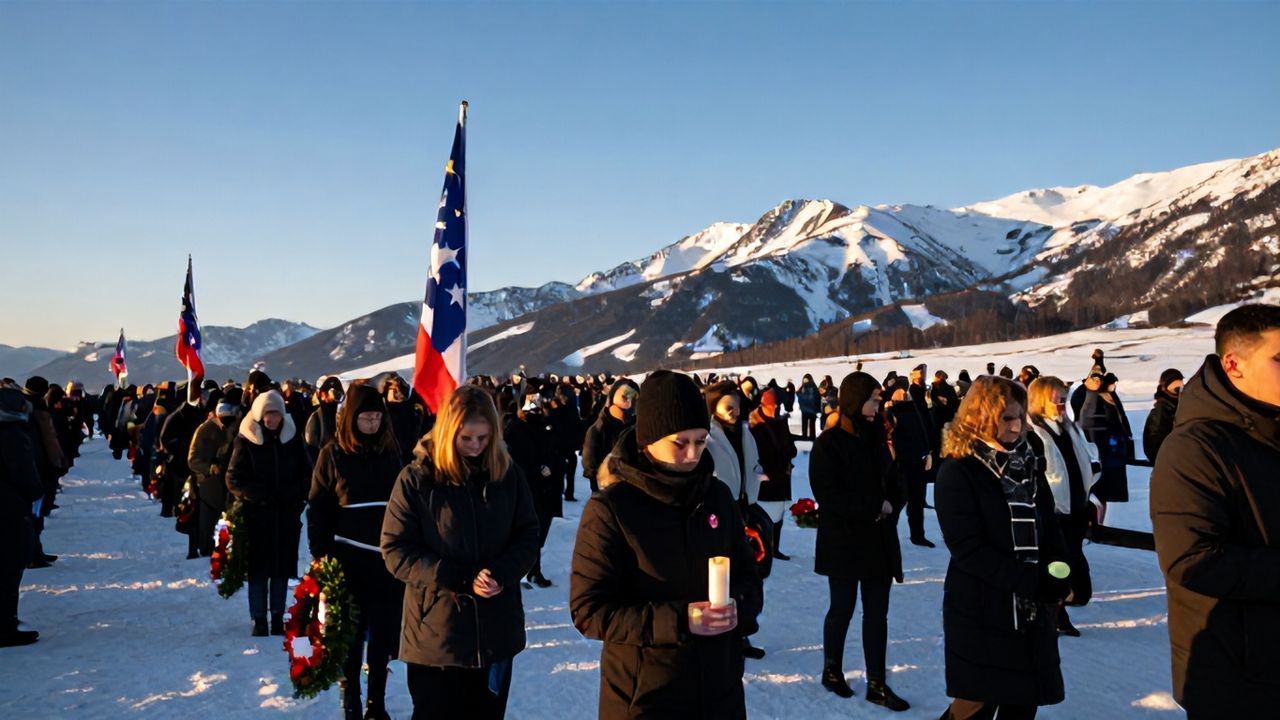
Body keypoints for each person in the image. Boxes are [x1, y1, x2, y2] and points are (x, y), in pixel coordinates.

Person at [569, 370, 763, 719]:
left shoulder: (716, 497)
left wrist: (741, 607)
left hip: (720, 688)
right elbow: (590, 610)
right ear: (648, 439)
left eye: (701, 441)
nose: (693, 453)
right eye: (680, 442)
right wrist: (681, 619)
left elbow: (748, 574)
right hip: (646, 694)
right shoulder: (612, 509)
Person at [1151, 304, 1280, 718]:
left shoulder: (1270, 431)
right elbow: (1193, 560)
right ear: (1233, 364)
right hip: (1240, 680)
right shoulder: (1194, 447)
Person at [381, 385, 539, 719]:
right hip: (438, 639)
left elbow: (527, 534)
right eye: (466, 438)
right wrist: (459, 577)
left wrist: (503, 572)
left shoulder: (508, 475)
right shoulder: (417, 479)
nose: (475, 447)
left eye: (483, 438)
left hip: (497, 632)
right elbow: (396, 550)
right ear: (449, 432)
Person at [935, 375, 1067, 720]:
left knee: (1023, 701)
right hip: (982, 607)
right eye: (1007, 418)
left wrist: (1063, 571)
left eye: (1021, 417)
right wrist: (1032, 581)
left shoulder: (1028, 464)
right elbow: (968, 549)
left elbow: (1048, 526)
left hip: (1030, 611)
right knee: (975, 705)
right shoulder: (959, 470)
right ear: (981, 417)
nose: (1017, 426)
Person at [810, 372, 910, 711]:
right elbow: (828, 493)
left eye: (878, 399)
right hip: (845, 542)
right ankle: (831, 670)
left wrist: (894, 504)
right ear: (853, 400)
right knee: (842, 608)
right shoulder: (828, 443)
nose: (877, 405)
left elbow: (896, 481)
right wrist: (873, 507)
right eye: (872, 399)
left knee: (877, 614)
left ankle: (877, 683)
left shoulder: (877, 438)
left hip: (879, 540)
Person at [308, 384, 404, 720]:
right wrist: (320, 555)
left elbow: (405, 502)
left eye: (378, 416)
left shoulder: (392, 453)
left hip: (387, 560)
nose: (373, 422)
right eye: (366, 417)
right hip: (348, 559)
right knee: (350, 634)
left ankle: (376, 702)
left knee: (383, 635)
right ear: (352, 418)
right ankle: (350, 698)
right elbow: (318, 508)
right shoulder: (332, 454)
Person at [225, 390, 309, 637]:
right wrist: (257, 494)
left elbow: (307, 473)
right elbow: (233, 477)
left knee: (281, 570)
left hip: (285, 515)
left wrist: (293, 495)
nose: (273, 420)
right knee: (259, 570)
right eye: (269, 415)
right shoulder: (246, 439)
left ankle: (277, 616)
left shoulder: (292, 438)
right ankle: (258, 617)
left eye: (277, 415)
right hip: (257, 516)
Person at [1026, 376, 1098, 638]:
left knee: (1079, 583)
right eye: (1056, 396)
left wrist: (1092, 489)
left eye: (1064, 397)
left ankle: (1057, 606)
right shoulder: (1034, 432)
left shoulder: (1069, 429)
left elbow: (1087, 461)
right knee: (1058, 567)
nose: (1061, 402)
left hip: (1076, 509)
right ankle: (1052, 615)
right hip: (1053, 513)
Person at [704, 380, 768, 660]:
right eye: (728, 407)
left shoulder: (746, 433)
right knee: (721, 578)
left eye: (738, 406)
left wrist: (757, 482)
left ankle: (742, 632)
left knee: (746, 575)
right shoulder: (707, 437)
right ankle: (723, 635)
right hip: (719, 513)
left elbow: (752, 466)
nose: (734, 412)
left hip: (745, 509)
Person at [502, 387, 563, 588]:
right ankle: (523, 571)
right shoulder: (514, 427)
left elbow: (558, 446)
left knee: (540, 532)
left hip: (547, 490)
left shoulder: (547, 425)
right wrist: (535, 470)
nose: (537, 407)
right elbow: (512, 461)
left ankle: (533, 569)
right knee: (524, 532)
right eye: (533, 402)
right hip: (526, 490)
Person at [1, 385, 42, 647]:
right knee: (9, 565)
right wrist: (35, 492)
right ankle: (5, 625)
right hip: (8, 507)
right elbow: (24, 473)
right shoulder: (12, 435)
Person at [188, 392, 240, 558]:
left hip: (229, 485)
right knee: (207, 524)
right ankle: (206, 551)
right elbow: (193, 459)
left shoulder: (237, 429)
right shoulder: (205, 429)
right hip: (208, 486)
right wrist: (209, 468)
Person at [884, 378, 935, 547]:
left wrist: (927, 451)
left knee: (916, 500)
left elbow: (924, 431)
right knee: (900, 500)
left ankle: (917, 534)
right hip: (901, 463)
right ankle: (893, 535)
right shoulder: (892, 413)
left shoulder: (914, 409)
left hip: (915, 460)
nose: (903, 394)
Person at [750, 387, 797, 561]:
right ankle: (762, 549)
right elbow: (756, 454)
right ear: (764, 405)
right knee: (763, 517)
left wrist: (790, 453)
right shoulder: (756, 426)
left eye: (778, 406)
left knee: (779, 516)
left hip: (782, 476)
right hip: (766, 478)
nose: (776, 409)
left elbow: (791, 446)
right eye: (773, 406)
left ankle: (774, 548)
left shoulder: (781, 422)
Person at [1078, 372, 1133, 502]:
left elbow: (1121, 418)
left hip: (1114, 447)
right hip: (1105, 447)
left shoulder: (1110, 397)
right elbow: (1090, 421)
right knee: (1103, 489)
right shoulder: (1094, 398)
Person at [581, 378, 638, 494]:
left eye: (634, 398)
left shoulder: (638, 426)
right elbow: (591, 467)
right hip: (608, 493)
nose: (629, 403)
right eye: (625, 397)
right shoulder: (598, 429)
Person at [1142, 369, 1183, 462]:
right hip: (1169, 464)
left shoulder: (1179, 407)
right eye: (1176, 389)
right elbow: (1153, 447)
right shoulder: (1161, 411)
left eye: (1181, 388)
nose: (1180, 392)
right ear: (1165, 388)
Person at [304, 375, 344, 465]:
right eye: (326, 393)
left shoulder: (344, 412)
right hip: (325, 464)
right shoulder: (316, 416)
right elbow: (311, 447)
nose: (330, 398)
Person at [797, 374, 822, 440]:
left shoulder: (802, 387)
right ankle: (812, 438)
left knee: (804, 425)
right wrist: (818, 409)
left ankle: (804, 437)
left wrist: (801, 406)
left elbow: (799, 396)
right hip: (812, 410)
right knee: (812, 425)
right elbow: (817, 398)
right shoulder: (814, 387)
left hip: (804, 410)